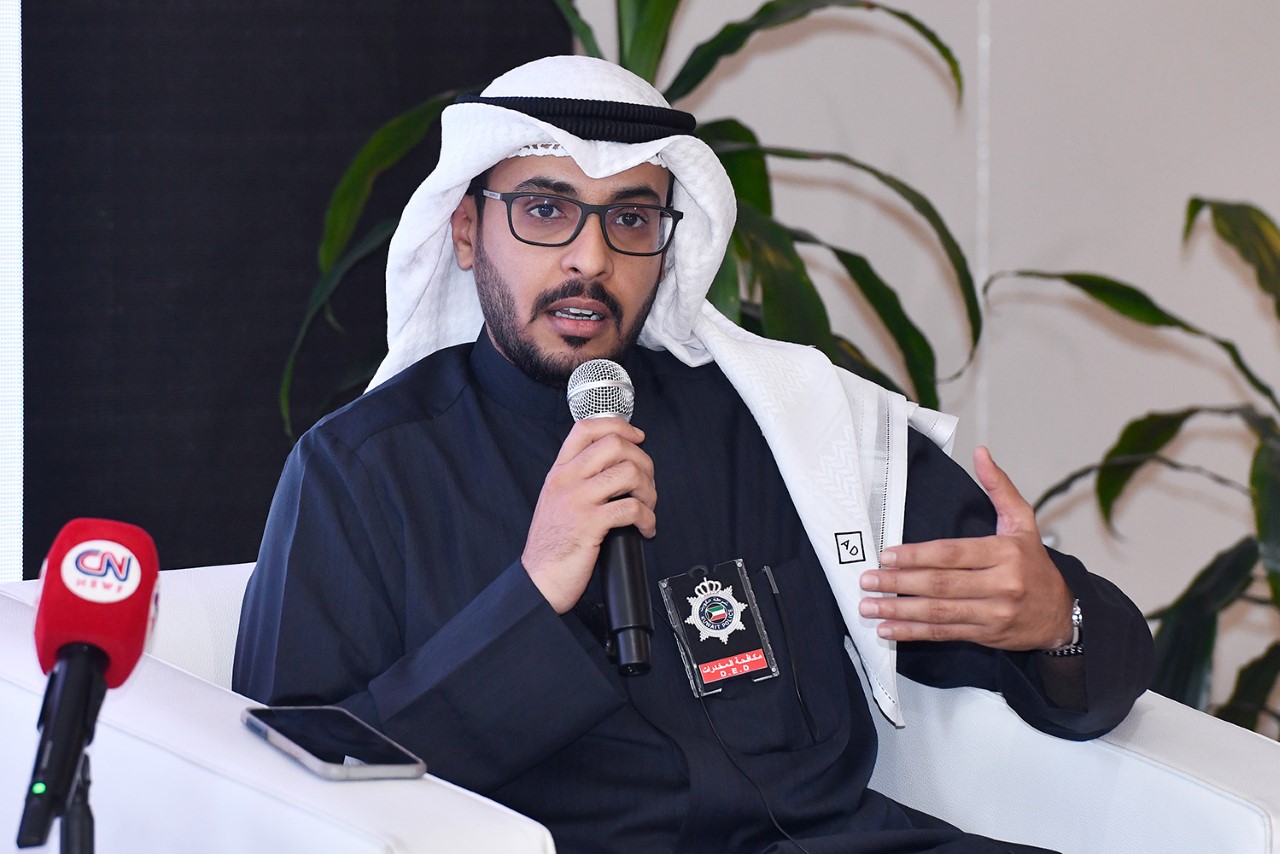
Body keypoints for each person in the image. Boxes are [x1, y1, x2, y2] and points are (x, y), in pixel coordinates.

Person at [234, 55, 1153, 852]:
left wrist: (1056, 619)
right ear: (467, 230)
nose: (591, 260)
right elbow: (294, 787)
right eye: (546, 210)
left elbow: (1091, 652)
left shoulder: (784, 424)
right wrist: (534, 592)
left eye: (631, 220)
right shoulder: (360, 473)